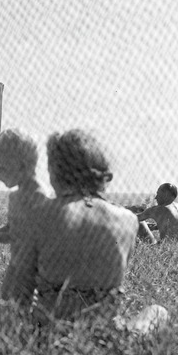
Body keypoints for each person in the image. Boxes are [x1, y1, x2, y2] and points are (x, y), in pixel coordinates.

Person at [21, 129, 139, 322]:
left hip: (49, 327)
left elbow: (17, 291)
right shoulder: (128, 219)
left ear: (55, 172)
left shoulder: (39, 214)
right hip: (104, 330)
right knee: (157, 312)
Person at [0, 128, 48, 308]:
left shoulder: (38, 196)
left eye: (2, 168)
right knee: (6, 296)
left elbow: (30, 235)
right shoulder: (15, 196)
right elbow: (12, 228)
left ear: (22, 164)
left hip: (34, 267)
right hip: (17, 262)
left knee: (23, 305)